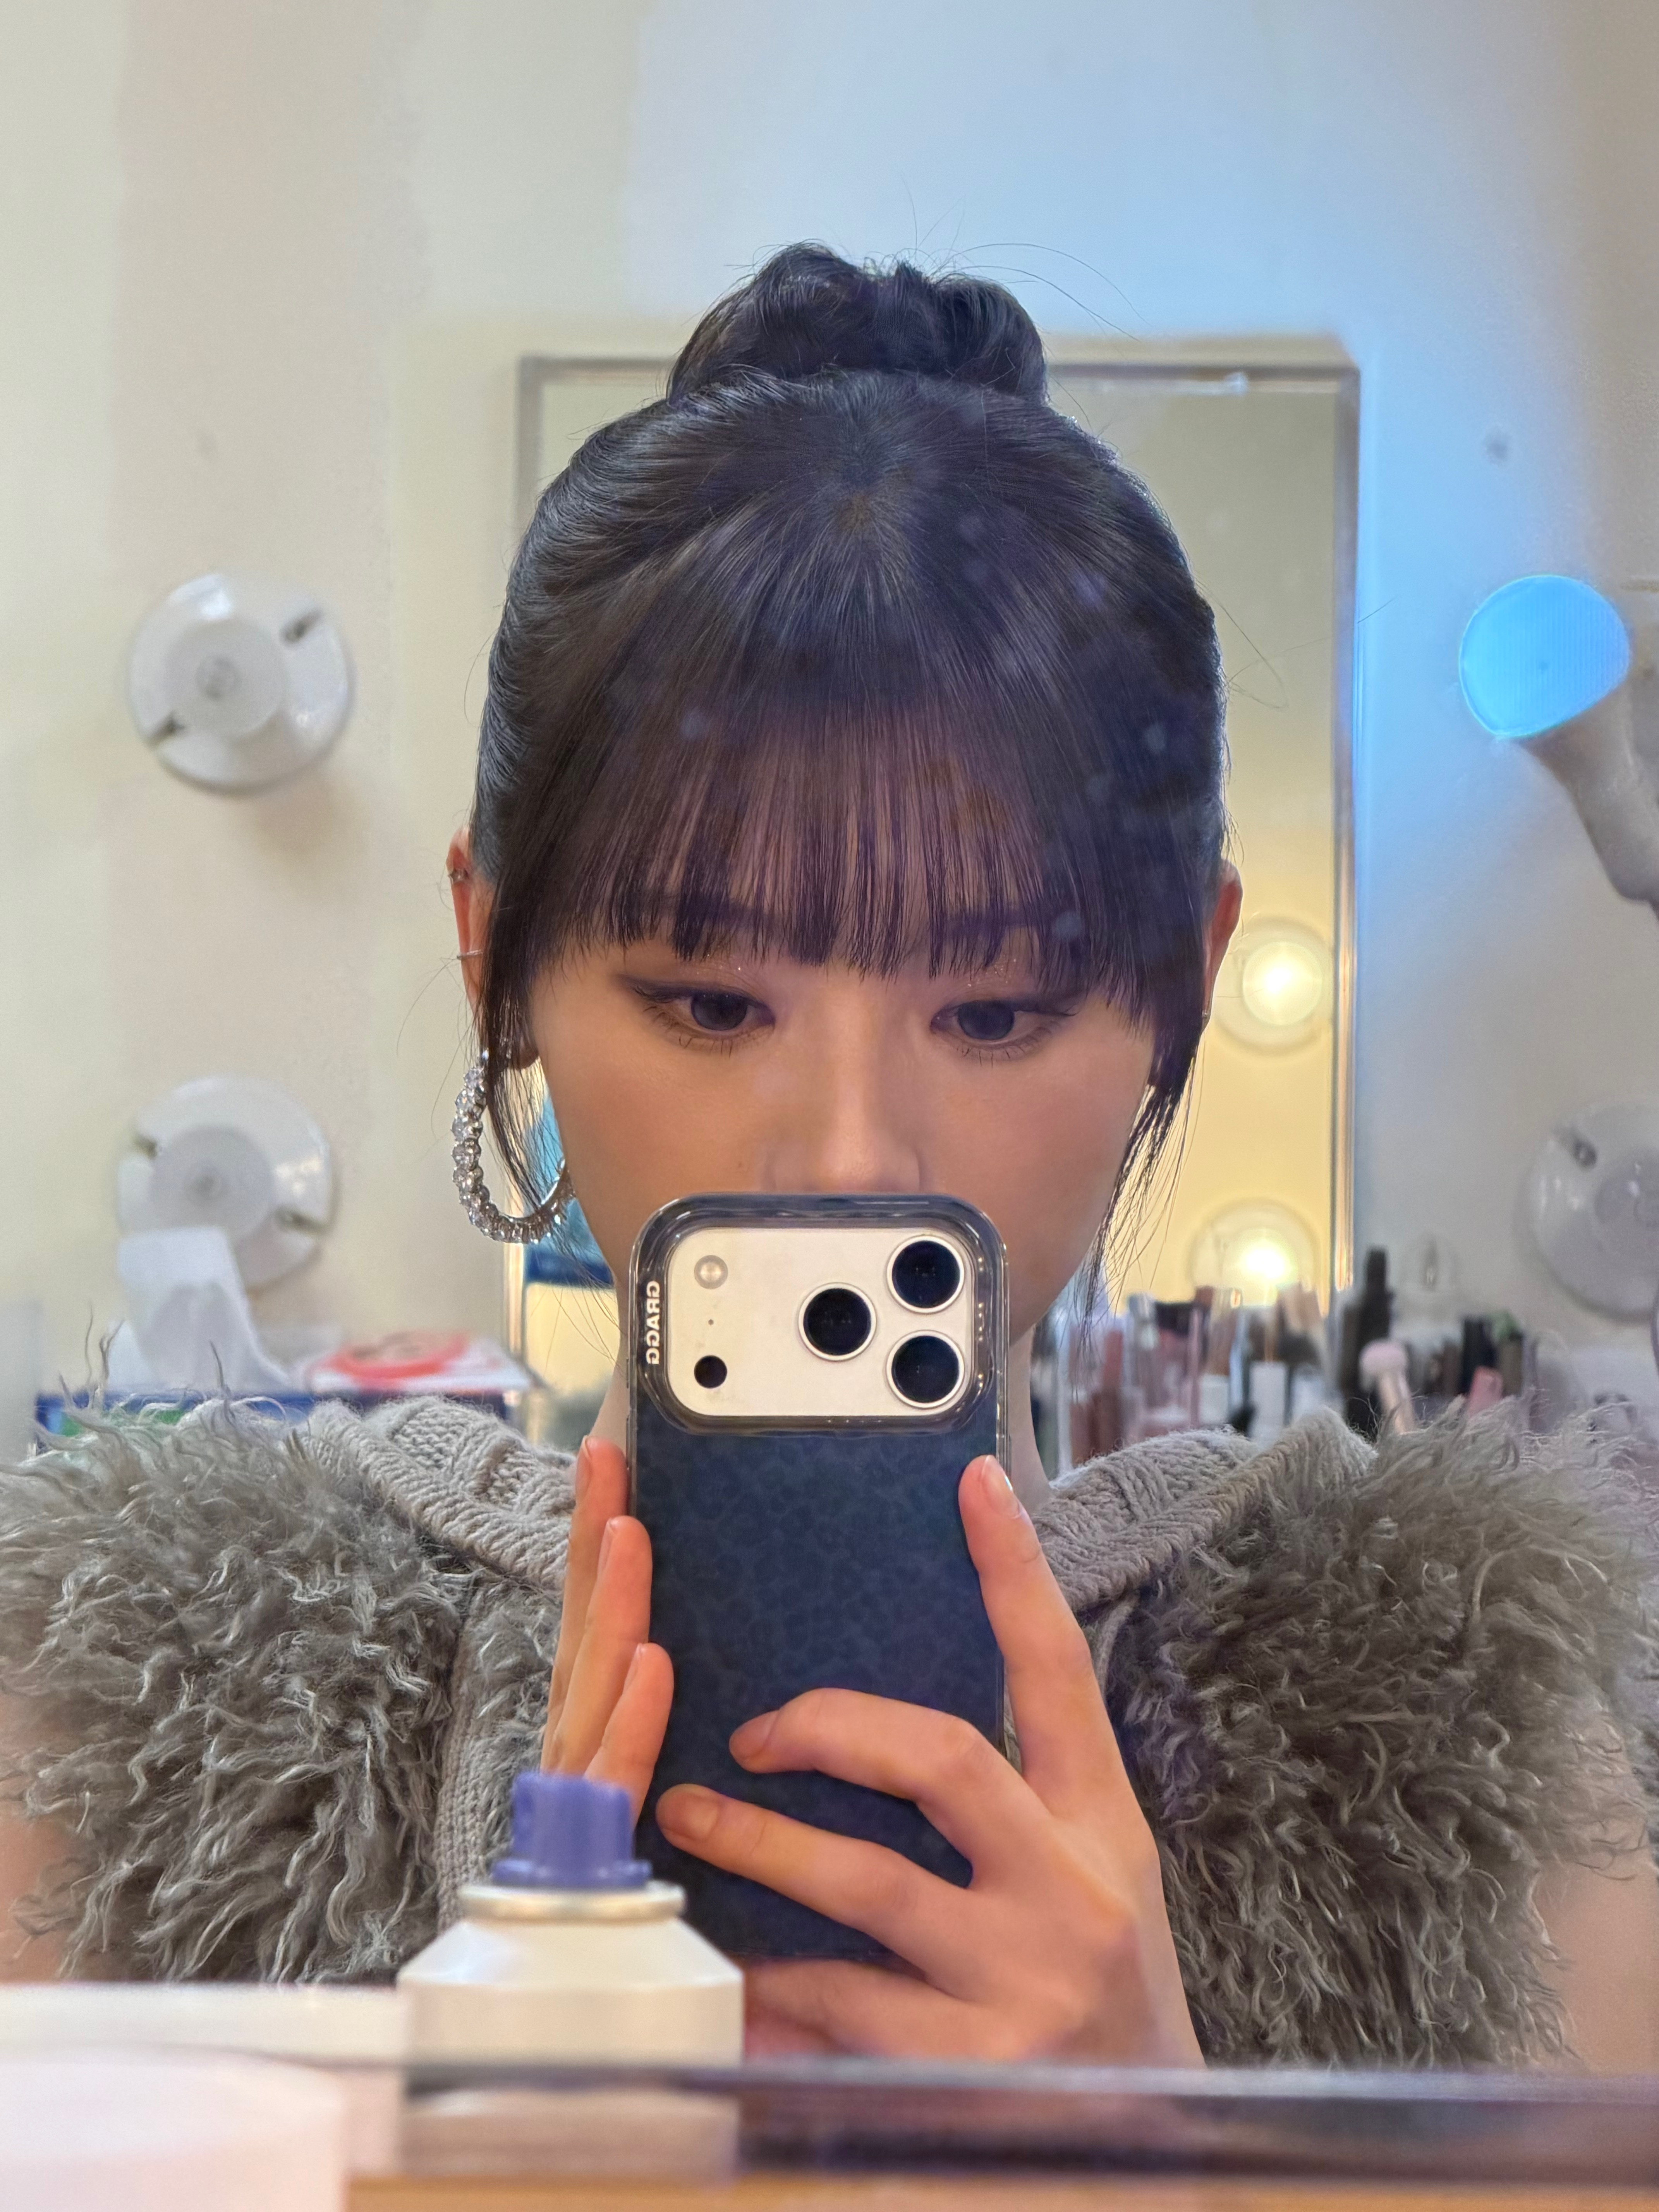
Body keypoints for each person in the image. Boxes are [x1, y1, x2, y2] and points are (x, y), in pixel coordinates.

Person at [3, 245, 1658, 2068]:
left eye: (997, 1012)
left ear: (1189, 980)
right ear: (494, 955)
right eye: (712, 1003)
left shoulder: (1452, 1711)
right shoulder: (144, 1701)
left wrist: (1170, 2151)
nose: (853, 1156)